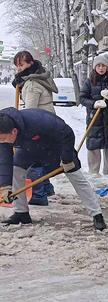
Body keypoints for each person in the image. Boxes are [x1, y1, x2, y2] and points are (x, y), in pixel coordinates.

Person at [0, 107, 106, 230]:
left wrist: (66, 159)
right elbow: (4, 160)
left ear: (14, 131)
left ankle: (97, 215)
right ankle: (21, 213)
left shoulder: (39, 121)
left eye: (3, 139)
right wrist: (6, 187)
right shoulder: (3, 132)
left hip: (58, 147)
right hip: (29, 148)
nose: (2, 141)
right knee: (16, 170)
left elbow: (67, 133)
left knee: (76, 176)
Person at [12, 50, 58, 205]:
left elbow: (30, 110)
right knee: (41, 157)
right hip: (48, 121)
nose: (19, 69)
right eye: (17, 66)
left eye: (22, 65)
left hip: (39, 124)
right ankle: (47, 188)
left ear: (30, 64)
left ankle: (38, 195)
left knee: (33, 160)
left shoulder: (32, 84)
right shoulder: (40, 75)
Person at [79, 55, 108, 175]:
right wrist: (94, 103)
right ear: (95, 67)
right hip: (94, 118)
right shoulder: (89, 81)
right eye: (98, 65)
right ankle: (94, 172)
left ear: (107, 67)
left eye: (103, 66)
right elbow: (82, 98)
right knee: (94, 145)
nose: (101, 68)